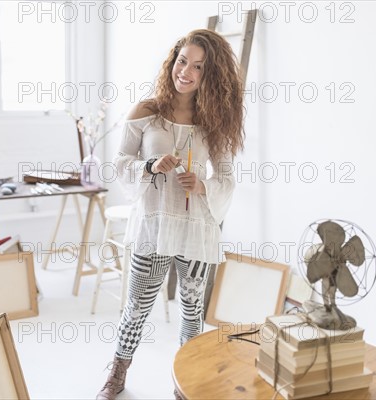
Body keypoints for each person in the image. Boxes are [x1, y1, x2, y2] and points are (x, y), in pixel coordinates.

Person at [96, 29, 245, 400]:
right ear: (172, 61)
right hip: (155, 226)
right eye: (183, 61)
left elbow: (226, 177)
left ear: (211, 75)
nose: (187, 72)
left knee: (192, 310)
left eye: (198, 67)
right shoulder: (146, 112)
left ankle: (186, 382)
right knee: (137, 306)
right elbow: (119, 164)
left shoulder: (215, 122)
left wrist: (204, 185)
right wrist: (150, 166)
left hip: (197, 229)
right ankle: (117, 374)